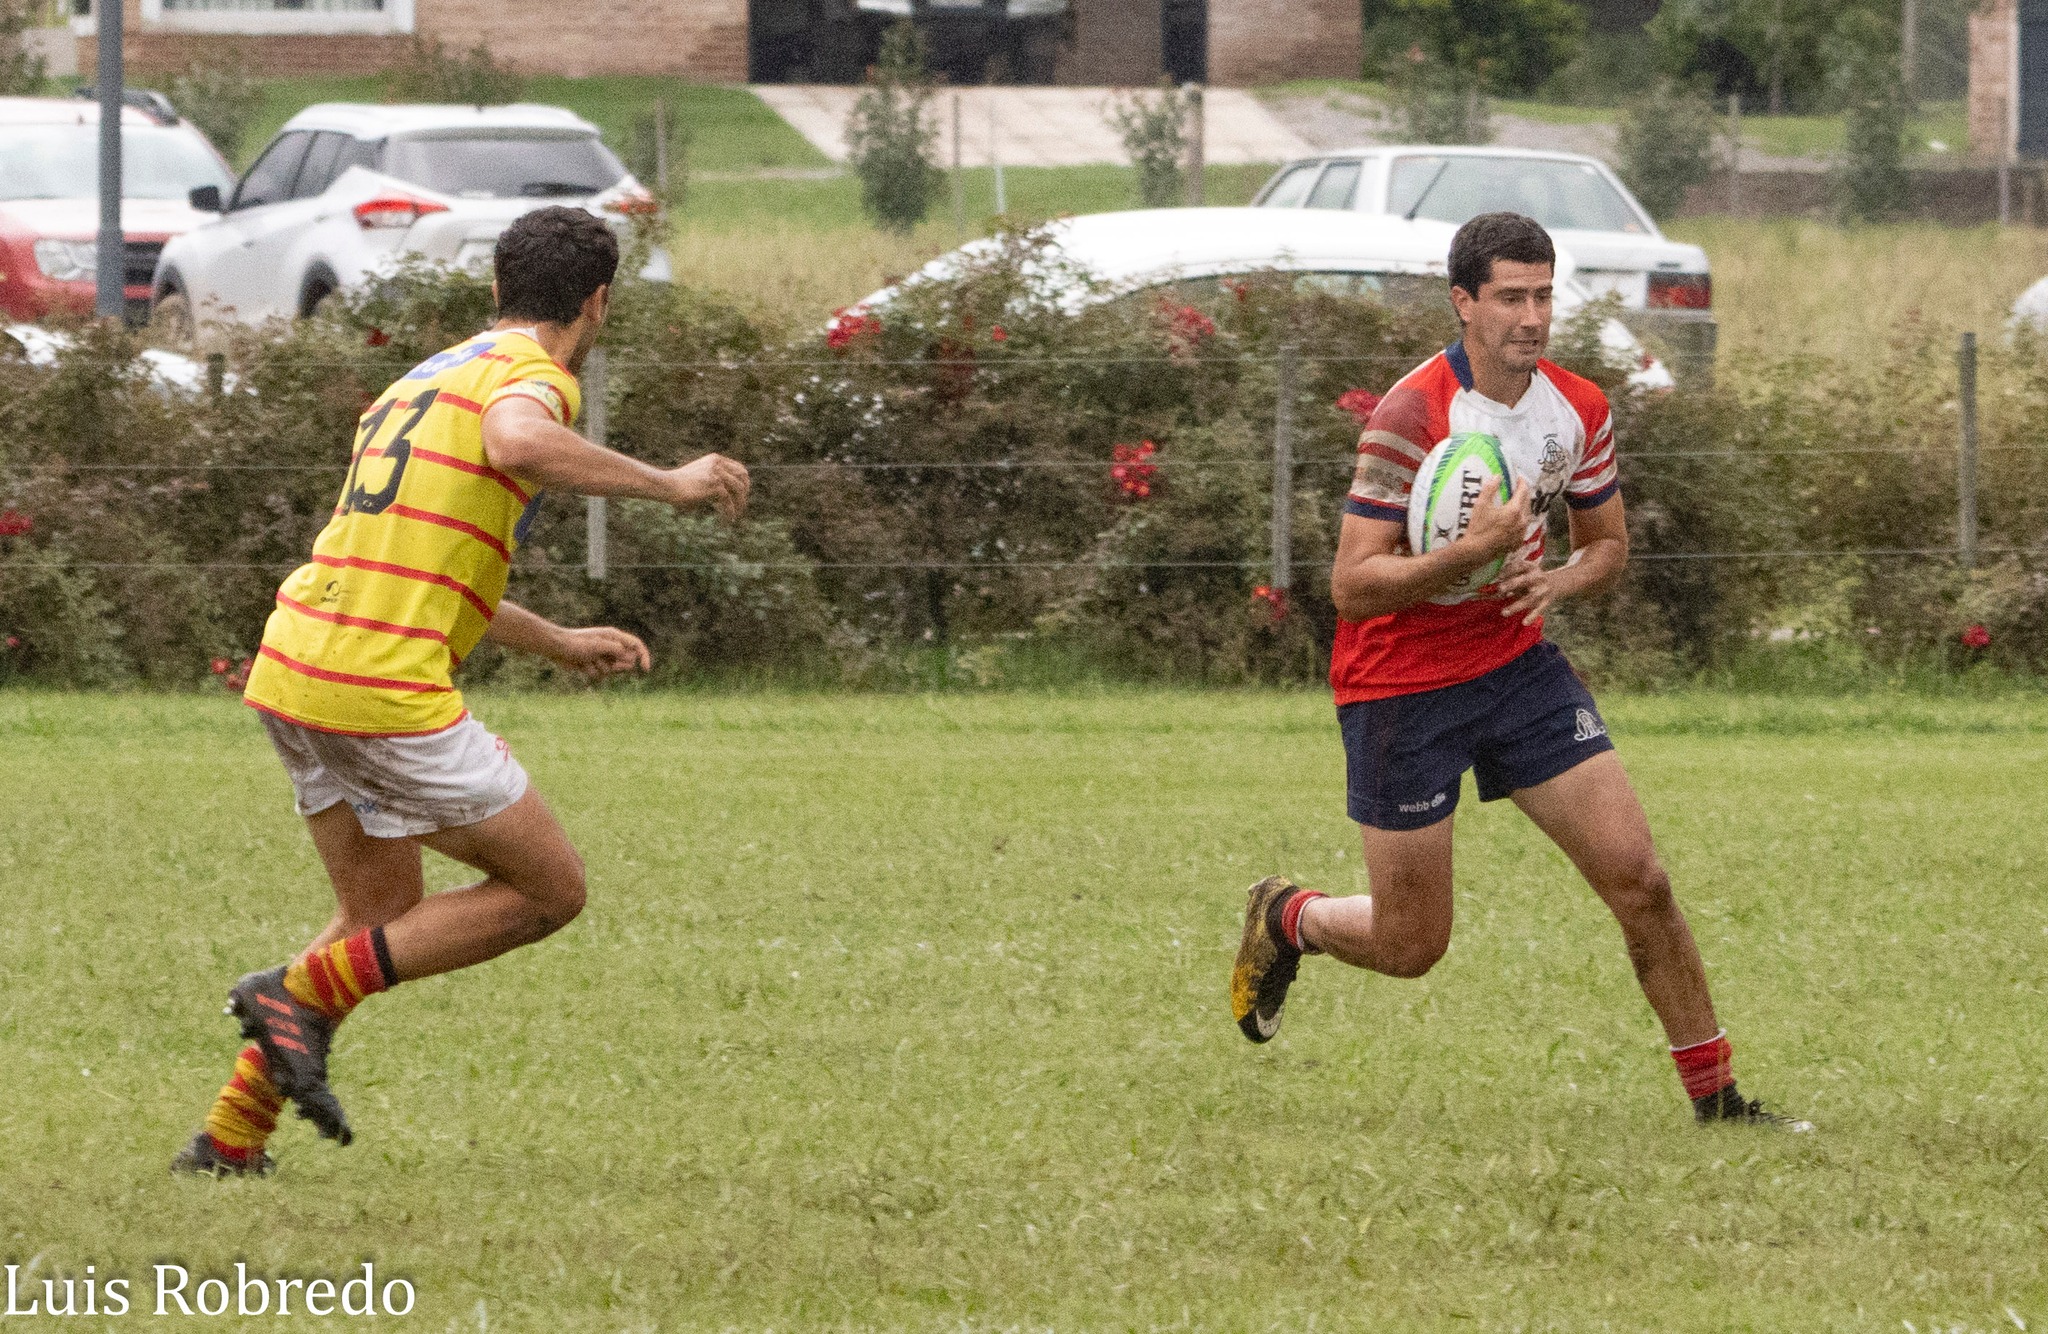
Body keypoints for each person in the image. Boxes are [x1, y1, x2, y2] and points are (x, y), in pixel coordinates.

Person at [172, 207, 751, 1175]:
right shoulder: (535, 378)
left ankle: (229, 1138)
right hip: (377, 688)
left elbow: (420, 565)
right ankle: (292, 986)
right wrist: (670, 484)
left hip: (296, 664)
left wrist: (556, 640)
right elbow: (519, 444)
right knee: (548, 887)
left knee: (382, 909)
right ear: (597, 302)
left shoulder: (420, 381)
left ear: (495, 288)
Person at [1229, 211, 1806, 1130]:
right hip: (1400, 686)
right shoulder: (1410, 415)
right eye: (1510, 297)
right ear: (1464, 303)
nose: (1531, 317)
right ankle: (1291, 916)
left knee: (1642, 880)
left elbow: (1607, 547)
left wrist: (1560, 580)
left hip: (1515, 668)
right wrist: (1473, 552)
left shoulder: (1576, 408)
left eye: (1543, 294)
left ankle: (1719, 1100)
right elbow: (1351, 587)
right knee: (1414, 943)